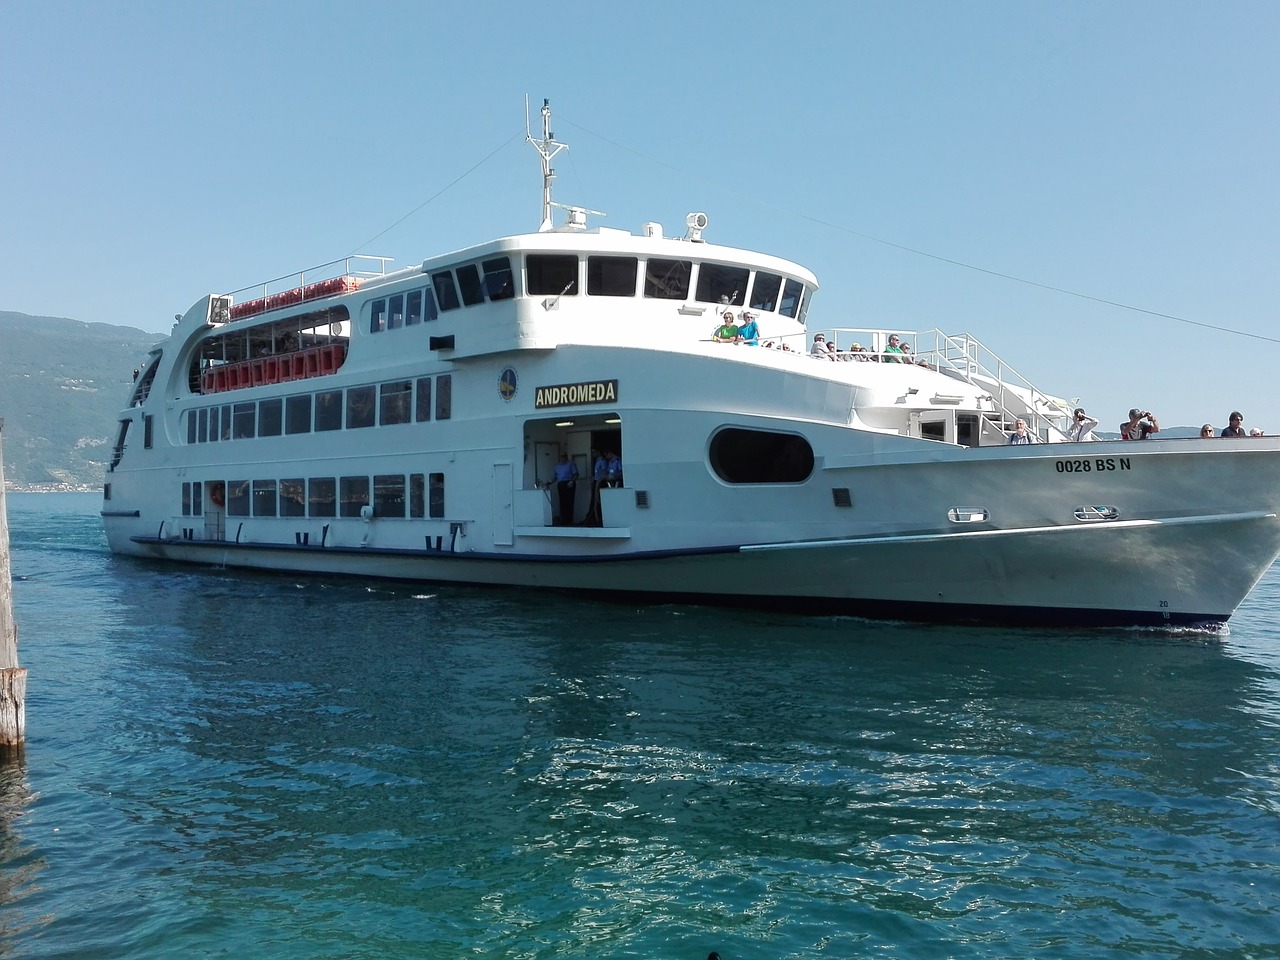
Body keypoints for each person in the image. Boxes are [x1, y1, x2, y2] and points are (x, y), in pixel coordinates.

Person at [553, 452, 578, 525]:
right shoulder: (558, 466)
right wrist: (550, 482)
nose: (563, 458)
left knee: (569, 502)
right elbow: (555, 477)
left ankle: (569, 521)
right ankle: (563, 520)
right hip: (561, 484)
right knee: (562, 502)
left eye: (564, 456)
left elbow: (576, 474)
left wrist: (572, 481)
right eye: (562, 456)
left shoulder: (570, 464)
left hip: (569, 483)